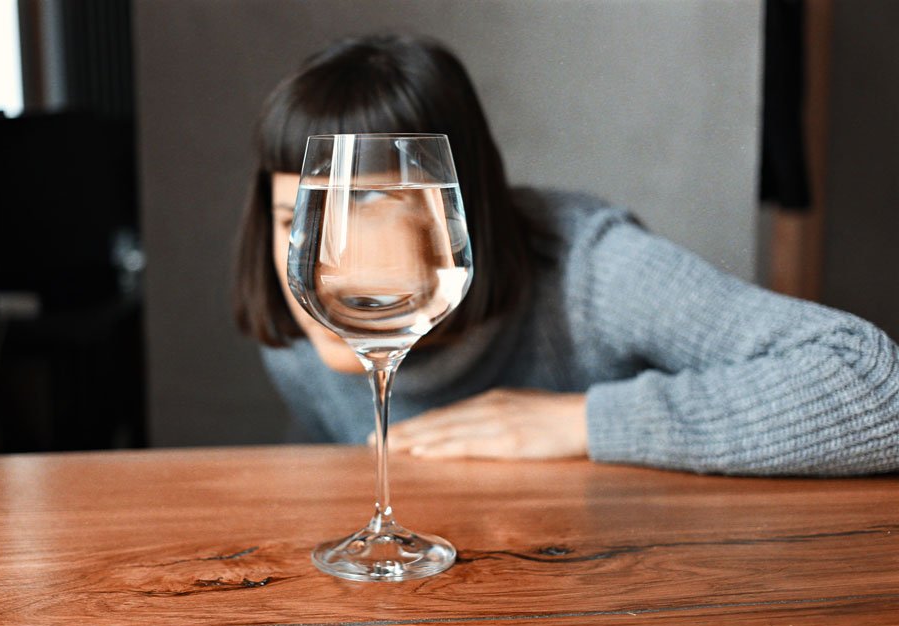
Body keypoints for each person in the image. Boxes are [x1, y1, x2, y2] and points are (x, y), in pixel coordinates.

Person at [233, 34, 899, 476]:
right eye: (296, 219)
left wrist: (584, 420)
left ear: (452, 213)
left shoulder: (594, 269)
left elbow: (874, 385)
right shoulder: (298, 334)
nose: (322, 267)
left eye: (366, 214)